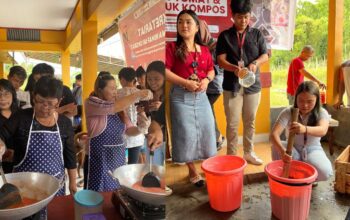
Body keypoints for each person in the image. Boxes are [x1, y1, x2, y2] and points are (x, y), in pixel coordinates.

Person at [0, 76, 77, 195]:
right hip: (23, 186)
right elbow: (3, 133)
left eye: (51, 104)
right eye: (40, 101)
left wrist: (73, 182)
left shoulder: (64, 123)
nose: (45, 107)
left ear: (59, 101)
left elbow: (70, 155)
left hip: (54, 187)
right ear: (33, 96)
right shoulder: (21, 117)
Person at [166, 9, 216, 187]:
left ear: (196, 27)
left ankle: (207, 167)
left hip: (201, 97)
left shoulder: (204, 50)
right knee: (185, 134)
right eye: (180, 22)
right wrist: (185, 83)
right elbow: (165, 71)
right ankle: (192, 171)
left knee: (207, 130)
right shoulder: (171, 48)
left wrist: (206, 80)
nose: (184, 25)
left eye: (188, 22)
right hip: (180, 97)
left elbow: (211, 70)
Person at [216, 0, 268, 165]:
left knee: (250, 121)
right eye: (240, 17)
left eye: (246, 17)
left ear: (250, 16)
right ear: (233, 16)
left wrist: (255, 64)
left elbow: (265, 55)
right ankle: (231, 156)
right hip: (232, 85)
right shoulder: (225, 36)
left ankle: (249, 152)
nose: (243, 21)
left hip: (253, 85)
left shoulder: (257, 34)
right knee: (232, 123)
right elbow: (220, 60)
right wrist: (234, 68)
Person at [85, 73, 152, 192]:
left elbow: (129, 130)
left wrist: (142, 126)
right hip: (100, 161)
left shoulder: (119, 110)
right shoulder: (92, 102)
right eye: (111, 88)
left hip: (118, 159)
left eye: (116, 87)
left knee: (116, 194)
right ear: (100, 90)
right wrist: (138, 94)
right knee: (98, 196)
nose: (115, 91)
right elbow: (112, 107)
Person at [270, 81, 333, 181]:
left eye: (309, 101)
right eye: (301, 101)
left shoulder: (321, 112)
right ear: (296, 99)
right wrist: (282, 151)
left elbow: (323, 130)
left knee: (325, 173)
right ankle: (295, 175)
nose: (305, 105)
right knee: (275, 147)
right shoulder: (288, 111)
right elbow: (274, 134)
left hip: (312, 149)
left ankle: (305, 177)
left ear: (317, 99)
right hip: (292, 149)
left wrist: (304, 129)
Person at [199, 19, 225, 150]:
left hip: (214, 86)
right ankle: (217, 137)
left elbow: (215, 67)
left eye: (199, 31)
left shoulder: (213, 47)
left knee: (207, 111)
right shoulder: (200, 46)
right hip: (208, 86)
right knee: (208, 111)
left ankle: (218, 138)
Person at [117, 67, 149, 164]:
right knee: (133, 165)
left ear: (122, 79)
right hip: (138, 135)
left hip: (121, 135)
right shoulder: (142, 94)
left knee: (120, 166)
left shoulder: (117, 94)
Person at [145, 60, 166, 166]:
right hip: (150, 138)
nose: (152, 82)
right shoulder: (145, 96)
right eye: (149, 79)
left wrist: (162, 108)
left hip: (166, 138)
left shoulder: (170, 95)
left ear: (165, 77)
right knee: (153, 168)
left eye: (157, 79)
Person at [0, 79, 19, 173]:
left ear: (13, 95)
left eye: (6, 94)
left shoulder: (21, 114)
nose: (2, 98)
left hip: (21, 165)